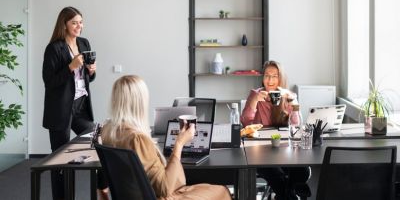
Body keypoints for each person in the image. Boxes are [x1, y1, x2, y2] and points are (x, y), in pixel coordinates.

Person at [101, 75, 232, 200]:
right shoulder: (138, 139)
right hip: (158, 196)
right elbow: (165, 188)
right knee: (221, 190)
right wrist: (179, 143)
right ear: (140, 102)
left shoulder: (108, 131)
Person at [42, 6, 108, 200]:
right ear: (64, 24)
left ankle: (102, 188)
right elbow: (49, 81)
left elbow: (88, 78)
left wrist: (91, 71)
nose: (79, 26)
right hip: (60, 109)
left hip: (81, 106)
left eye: (81, 22)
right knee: (60, 160)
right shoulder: (54, 48)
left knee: (100, 142)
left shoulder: (83, 42)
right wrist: (71, 67)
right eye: (74, 22)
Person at [240, 60, 310, 200]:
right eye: (267, 75)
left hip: (284, 149)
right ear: (262, 77)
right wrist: (254, 101)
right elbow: (245, 122)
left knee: (303, 170)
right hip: (260, 151)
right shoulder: (255, 94)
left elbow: (296, 125)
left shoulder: (288, 95)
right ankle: (289, 194)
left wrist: (293, 103)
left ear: (280, 78)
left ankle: (284, 195)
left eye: (274, 76)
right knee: (274, 173)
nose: (270, 80)